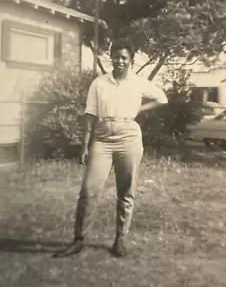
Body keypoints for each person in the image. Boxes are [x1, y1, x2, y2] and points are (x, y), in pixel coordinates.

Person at [54, 38, 168, 258]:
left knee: (126, 191)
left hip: (129, 136)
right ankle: (78, 240)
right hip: (102, 137)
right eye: (116, 57)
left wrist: (138, 110)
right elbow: (90, 114)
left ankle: (119, 240)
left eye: (124, 57)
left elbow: (162, 98)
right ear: (111, 59)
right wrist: (85, 145)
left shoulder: (138, 82)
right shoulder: (99, 83)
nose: (120, 61)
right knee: (88, 190)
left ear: (131, 60)